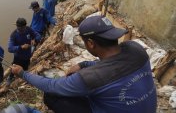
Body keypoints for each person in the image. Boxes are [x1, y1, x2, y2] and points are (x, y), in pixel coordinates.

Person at [11, 15, 157, 113]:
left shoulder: (90, 78)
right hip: (149, 108)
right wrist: (83, 64)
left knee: (51, 95)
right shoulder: (135, 48)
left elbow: (50, 86)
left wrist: (22, 73)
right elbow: (112, 67)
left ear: (91, 43)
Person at [7, 18, 41, 84]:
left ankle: (23, 77)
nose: (20, 30)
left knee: (25, 67)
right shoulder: (13, 35)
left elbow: (38, 35)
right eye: (18, 28)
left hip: (28, 54)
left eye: (22, 28)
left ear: (25, 26)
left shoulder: (28, 29)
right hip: (18, 57)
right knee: (14, 68)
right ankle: (10, 77)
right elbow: (10, 48)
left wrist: (35, 40)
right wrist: (20, 47)